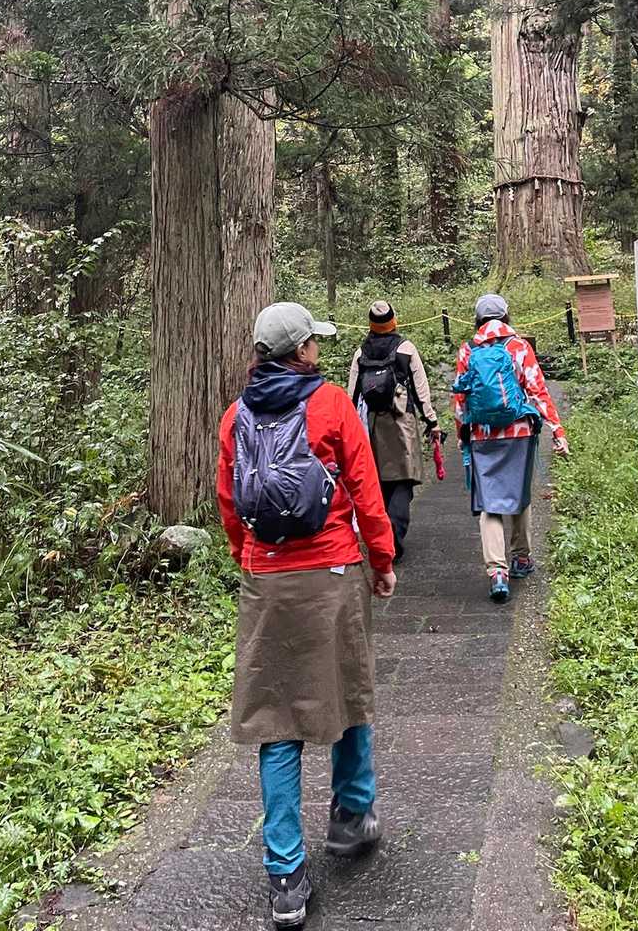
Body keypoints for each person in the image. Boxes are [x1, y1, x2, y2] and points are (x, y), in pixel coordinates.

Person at [217, 301, 397, 929]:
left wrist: (250, 558)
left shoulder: (235, 416)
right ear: (300, 351)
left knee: (277, 720)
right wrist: (382, 559)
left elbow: (230, 501)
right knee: (347, 691)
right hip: (332, 572)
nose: (318, 349)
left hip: (267, 578)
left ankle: (286, 875)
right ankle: (351, 815)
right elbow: (365, 489)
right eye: (313, 343)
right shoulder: (330, 404)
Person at [453, 293, 567, 604]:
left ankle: (497, 572)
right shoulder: (519, 347)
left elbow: (460, 398)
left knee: (489, 503)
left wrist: (462, 434)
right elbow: (538, 391)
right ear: (506, 316)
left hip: (482, 434)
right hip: (519, 432)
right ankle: (521, 557)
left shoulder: (468, 350)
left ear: (478, 320)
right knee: (519, 494)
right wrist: (557, 431)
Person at [347, 300, 445, 561]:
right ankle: (393, 539)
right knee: (403, 480)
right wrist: (432, 421)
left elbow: (352, 394)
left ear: (371, 324)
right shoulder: (405, 348)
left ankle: (381, 538)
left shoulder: (361, 353)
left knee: (379, 483)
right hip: (402, 423)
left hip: (372, 424)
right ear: (393, 321)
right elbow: (421, 391)